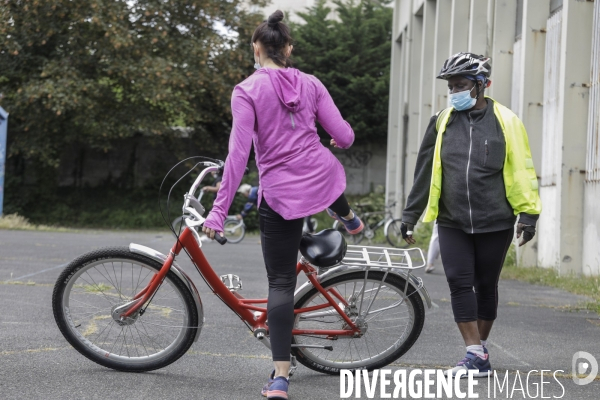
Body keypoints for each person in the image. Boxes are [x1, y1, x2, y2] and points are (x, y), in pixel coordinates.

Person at [201, 10, 363, 399]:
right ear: (288, 48)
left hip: (282, 195)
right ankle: (347, 217)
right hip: (320, 180)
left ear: (257, 48)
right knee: (324, 167)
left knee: (280, 283)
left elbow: (238, 155)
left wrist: (219, 211)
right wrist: (338, 141)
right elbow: (344, 135)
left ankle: (280, 378)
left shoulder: (246, 90)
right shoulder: (311, 83)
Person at [400, 52, 541, 378]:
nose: (454, 92)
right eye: (451, 87)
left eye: (460, 85)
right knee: (459, 283)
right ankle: (474, 352)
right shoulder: (442, 120)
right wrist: (411, 213)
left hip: (496, 219)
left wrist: (529, 215)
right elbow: (424, 170)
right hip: (453, 220)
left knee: (485, 284)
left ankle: (478, 349)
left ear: (481, 85)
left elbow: (522, 171)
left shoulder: (506, 121)